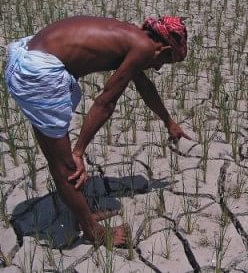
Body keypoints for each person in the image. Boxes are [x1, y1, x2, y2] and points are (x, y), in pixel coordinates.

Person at [4, 15, 191, 246]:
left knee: (58, 158)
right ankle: (94, 232)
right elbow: (105, 102)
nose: (159, 66)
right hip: (39, 71)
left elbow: (143, 85)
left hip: (27, 55)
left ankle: (84, 216)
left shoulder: (134, 37)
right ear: (163, 47)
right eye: (167, 60)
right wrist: (79, 151)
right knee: (66, 165)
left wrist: (168, 121)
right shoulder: (143, 48)